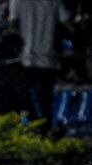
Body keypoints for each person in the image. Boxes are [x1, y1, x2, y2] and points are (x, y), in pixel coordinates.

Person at [9, 0, 72, 134]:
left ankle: (31, 133)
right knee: (45, 104)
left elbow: (12, 25)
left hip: (25, 60)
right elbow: (67, 24)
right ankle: (44, 134)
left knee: (25, 104)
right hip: (48, 60)